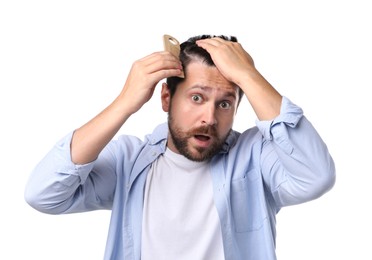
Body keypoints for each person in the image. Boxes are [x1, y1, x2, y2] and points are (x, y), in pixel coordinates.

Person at [25, 34, 336, 260]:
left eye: (225, 103)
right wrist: (124, 103)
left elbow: (316, 176)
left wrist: (248, 75)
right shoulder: (128, 161)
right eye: (197, 97)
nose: (209, 117)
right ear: (166, 98)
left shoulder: (256, 157)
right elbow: (44, 194)